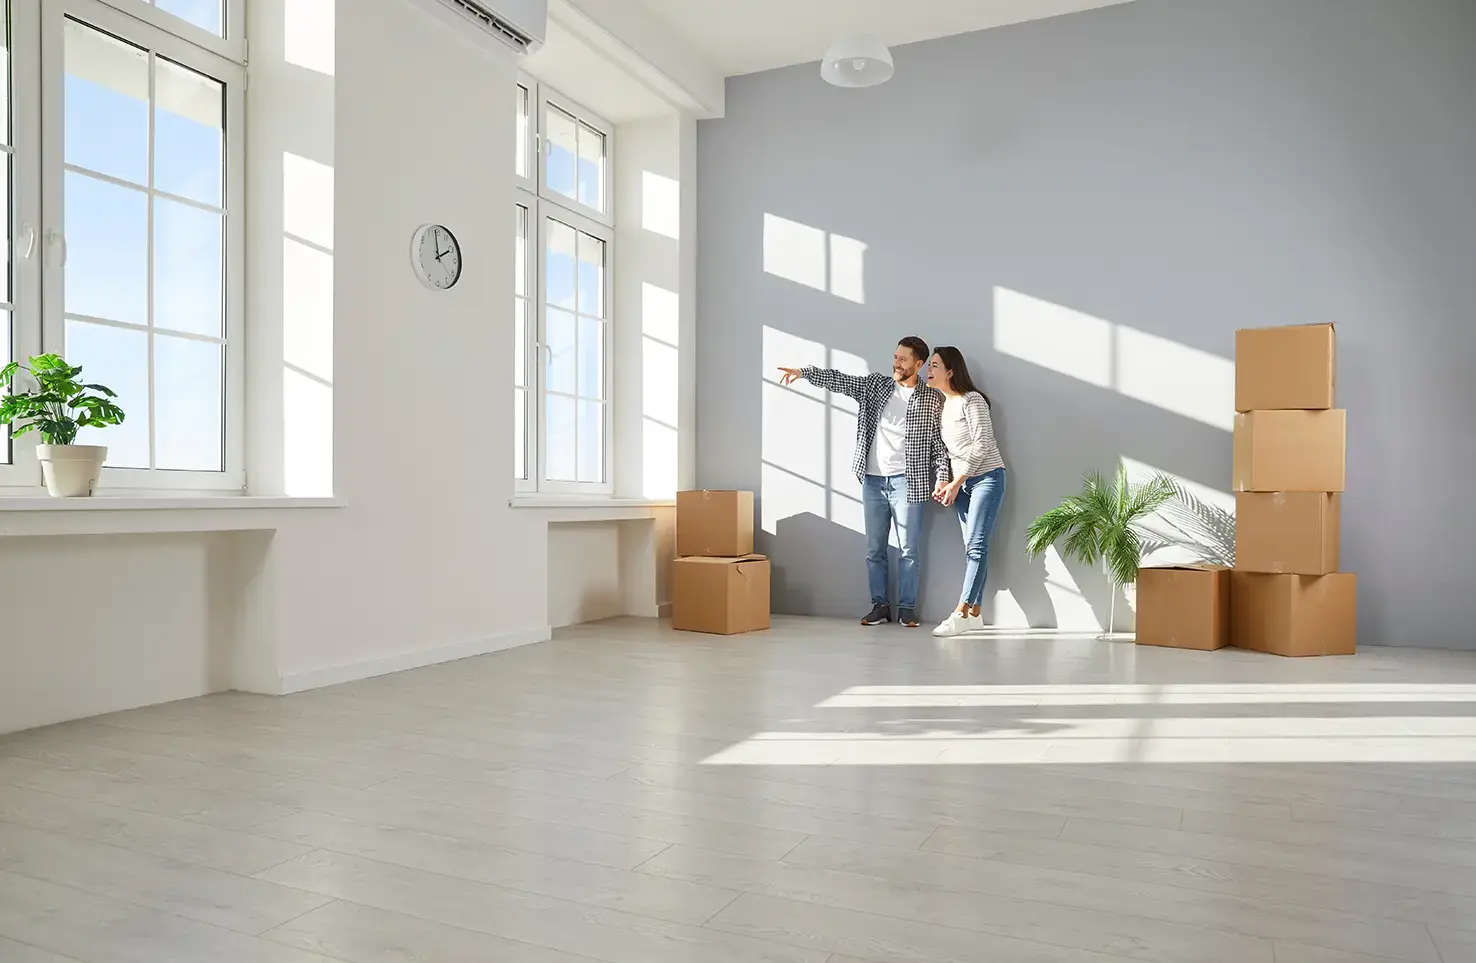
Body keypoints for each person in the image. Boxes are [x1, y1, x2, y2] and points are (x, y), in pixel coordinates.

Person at [778, 337, 950, 628]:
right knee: (874, 550)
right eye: (895, 357)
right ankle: (880, 606)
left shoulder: (932, 399)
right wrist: (804, 373)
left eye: (903, 359)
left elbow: (938, 445)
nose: (896, 363)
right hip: (872, 480)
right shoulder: (876, 386)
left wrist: (943, 476)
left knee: (909, 550)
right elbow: (840, 380)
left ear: (919, 364)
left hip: (909, 482)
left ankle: (906, 609)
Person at [927, 346, 1007, 638]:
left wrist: (957, 481)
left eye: (935, 365)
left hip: (987, 478)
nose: (928, 370)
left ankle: (960, 613)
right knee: (973, 548)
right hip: (960, 484)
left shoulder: (972, 400)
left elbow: (983, 444)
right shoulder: (943, 406)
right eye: (929, 365)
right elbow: (949, 453)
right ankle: (975, 614)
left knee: (976, 547)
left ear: (950, 371)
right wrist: (944, 481)